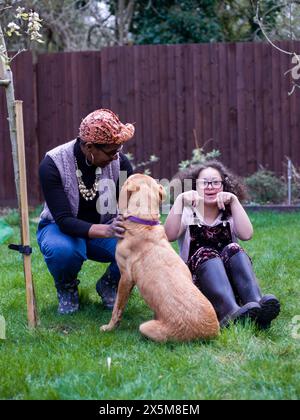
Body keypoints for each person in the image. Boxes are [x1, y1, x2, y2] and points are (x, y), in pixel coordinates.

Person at [37, 109, 135, 314]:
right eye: (110, 152)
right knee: (62, 251)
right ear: (89, 147)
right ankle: (67, 287)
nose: (116, 157)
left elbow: (132, 205)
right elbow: (63, 220)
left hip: (105, 226)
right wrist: (106, 231)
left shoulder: (120, 163)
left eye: (118, 150)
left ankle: (110, 283)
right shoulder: (53, 164)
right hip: (60, 229)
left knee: (138, 246)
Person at [164, 160, 280, 329]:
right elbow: (169, 235)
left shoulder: (229, 212)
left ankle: (256, 304)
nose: (210, 187)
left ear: (224, 185)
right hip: (199, 285)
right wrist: (180, 200)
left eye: (216, 182)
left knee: (234, 248)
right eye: (204, 183)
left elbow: (246, 235)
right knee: (206, 252)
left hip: (232, 283)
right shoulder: (189, 213)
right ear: (194, 186)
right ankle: (228, 312)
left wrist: (234, 202)